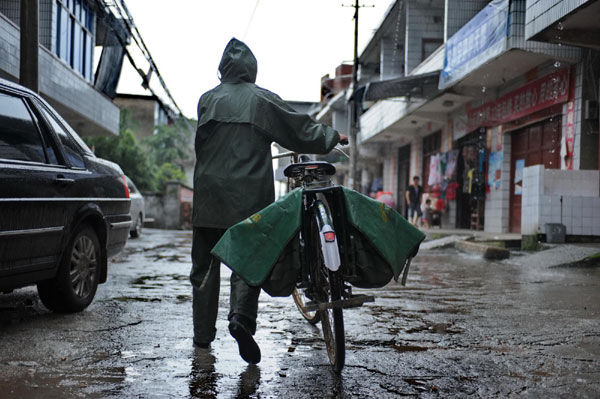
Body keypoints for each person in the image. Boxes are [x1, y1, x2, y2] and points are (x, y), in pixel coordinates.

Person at [191, 38, 347, 364]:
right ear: (251, 69)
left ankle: (202, 337)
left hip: (208, 197)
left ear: (223, 69)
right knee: (247, 262)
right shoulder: (261, 100)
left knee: (204, 269)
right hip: (247, 199)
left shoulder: (207, 100)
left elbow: (200, 147)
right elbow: (299, 129)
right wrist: (333, 137)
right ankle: (241, 319)